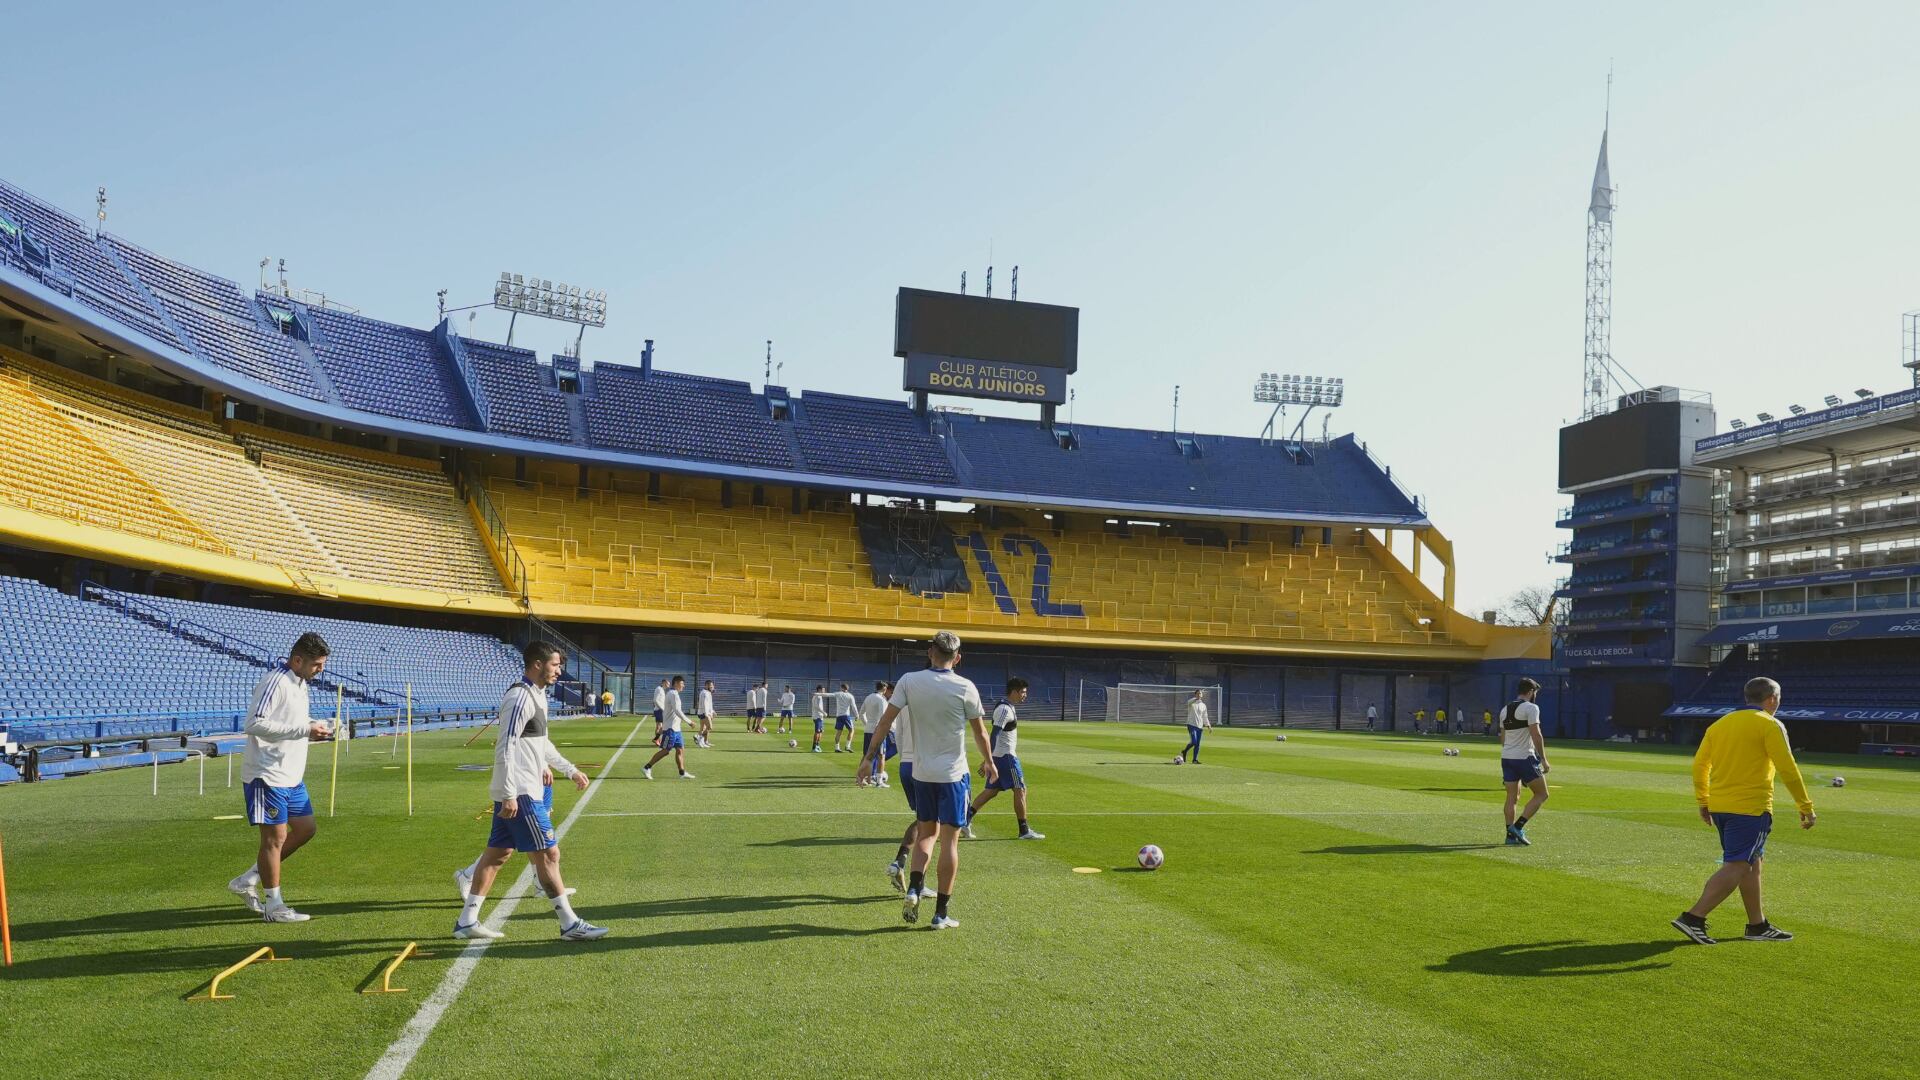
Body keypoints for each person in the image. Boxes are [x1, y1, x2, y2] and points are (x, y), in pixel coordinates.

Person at [452, 641, 607, 941]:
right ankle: (569, 924)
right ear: (537, 664)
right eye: (554, 665)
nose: (559, 671)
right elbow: (505, 747)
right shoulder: (519, 697)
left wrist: (570, 769)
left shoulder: (538, 696)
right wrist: (509, 793)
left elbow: (541, 743)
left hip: (525, 789)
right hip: (520, 792)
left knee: (498, 855)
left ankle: (467, 921)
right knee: (549, 854)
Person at [858, 630, 995, 929]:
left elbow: (885, 722)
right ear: (957, 658)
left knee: (926, 834)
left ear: (930, 652)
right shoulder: (965, 686)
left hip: (921, 773)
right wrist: (989, 762)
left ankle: (913, 888)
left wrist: (868, 758)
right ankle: (941, 913)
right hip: (953, 775)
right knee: (949, 844)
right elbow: (981, 733)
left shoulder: (908, 680)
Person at [1671, 677, 1814, 945]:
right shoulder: (1770, 724)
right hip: (1750, 808)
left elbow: (1700, 765)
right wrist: (1805, 806)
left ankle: (1757, 925)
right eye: (1779, 698)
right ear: (1772, 699)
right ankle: (1693, 917)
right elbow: (1787, 767)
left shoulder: (1720, 724)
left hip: (1721, 806)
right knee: (1737, 865)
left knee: (1752, 865)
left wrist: (1704, 800)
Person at [227, 632, 334, 923]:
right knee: (275, 839)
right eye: (317, 664)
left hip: (291, 775)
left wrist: (314, 727)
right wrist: (304, 731)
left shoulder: (300, 684)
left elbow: (292, 723)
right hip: (267, 774)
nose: (320, 670)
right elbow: (254, 723)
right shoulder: (275, 681)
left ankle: (248, 879)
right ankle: (274, 906)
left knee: (306, 829)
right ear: (298, 660)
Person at [965, 677, 1042, 840]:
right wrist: (988, 760)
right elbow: (995, 734)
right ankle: (1024, 830)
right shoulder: (1005, 710)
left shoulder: (1008, 707)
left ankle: (965, 821)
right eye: (1022, 692)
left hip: (1000, 757)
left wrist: (989, 758)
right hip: (1006, 758)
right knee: (1020, 789)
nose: (1024, 695)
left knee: (991, 791)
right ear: (1014, 691)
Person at [1499, 678, 1550, 845]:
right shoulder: (1531, 708)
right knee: (1542, 794)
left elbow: (1503, 738)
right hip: (1524, 757)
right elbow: (1536, 734)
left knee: (1512, 797)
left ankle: (1509, 836)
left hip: (1507, 757)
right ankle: (1518, 826)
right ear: (1530, 692)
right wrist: (1543, 759)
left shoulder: (1504, 710)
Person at [642, 675, 696, 779]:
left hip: (676, 729)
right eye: (682, 683)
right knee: (665, 751)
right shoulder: (672, 694)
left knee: (680, 750)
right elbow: (677, 710)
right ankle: (647, 767)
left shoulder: (673, 693)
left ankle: (682, 773)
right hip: (670, 729)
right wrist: (689, 722)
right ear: (676, 683)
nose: (683, 686)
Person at [860, 680, 894, 787]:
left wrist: (867, 724)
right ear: (884, 688)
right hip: (878, 731)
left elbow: (861, 714)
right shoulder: (882, 700)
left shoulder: (868, 697)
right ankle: (879, 781)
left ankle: (861, 778)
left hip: (868, 729)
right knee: (881, 755)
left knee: (867, 755)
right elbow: (883, 717)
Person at [1177, 689, 1209, 764]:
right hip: (1191, 724)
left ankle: (1194, 760)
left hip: (1200, 726)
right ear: (1195, 695)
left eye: (1200, 694)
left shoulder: (1203, 705)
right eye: (1197, 694)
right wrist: (1196, 698)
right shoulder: (1191, 702)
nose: (1199, 695)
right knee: (1194, 742)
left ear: (1202, 695)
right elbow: (1188, 702)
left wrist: (1208, 725)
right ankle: (1185, 751)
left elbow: (1205, 716)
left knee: (1197, 744)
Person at [833, 682, 858, 752]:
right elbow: (854, 706)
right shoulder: (850, 696)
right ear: (847, 688)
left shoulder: (838, 694)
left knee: (839, 732)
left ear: (841, 688)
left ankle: (837, 748)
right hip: (846, 716)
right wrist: (857, 715)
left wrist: (817, 694)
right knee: (851, 730)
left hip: (839, 716)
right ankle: (847, 746)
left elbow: (829, 694)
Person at [695, 679, 716, 748]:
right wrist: (707, 714)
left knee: (703, 728)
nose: (712, 687)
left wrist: (712, 711)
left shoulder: (707, 692)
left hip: (703, 712)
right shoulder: (705, 693)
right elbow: (705, 704)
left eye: (712, 685)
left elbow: (709, 704)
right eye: (711, 685)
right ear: (706, 685)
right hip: (704, 713)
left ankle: (704, 742)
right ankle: (698, 737)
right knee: (710, 727)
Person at [810, 684, 828, 753]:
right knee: (817, 732)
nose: (824, 691)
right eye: (823, 689)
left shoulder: (819, 696)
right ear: (820, 690)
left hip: (820, 717)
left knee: (820, 731)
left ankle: (817, 745)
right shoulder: (817, 696)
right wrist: (823, 712)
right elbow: (816, 706)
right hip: (817, 716)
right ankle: (814, 747)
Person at [651, 678, 668, 746]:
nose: (668, 685)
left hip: (658, 710)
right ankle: (657, 739)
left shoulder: (661, 689)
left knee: (659, 726)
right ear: (663, 683)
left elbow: (655, 700)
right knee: (661, 726)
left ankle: (657, 740)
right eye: (667, 683)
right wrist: (661, 708)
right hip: (659, 710)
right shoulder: (659, 689)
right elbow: (655, 700)